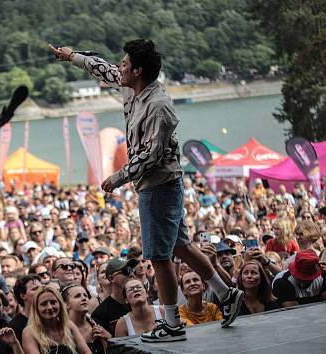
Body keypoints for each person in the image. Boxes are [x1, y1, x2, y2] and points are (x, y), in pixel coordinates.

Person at [50, 39, 244, 342]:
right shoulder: (132, 86)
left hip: (160, 184)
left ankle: (171, 323)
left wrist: (118, 177)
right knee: (180, 245)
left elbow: (151, 154)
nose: (120, 68)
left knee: (159, 256)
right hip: (159, 183)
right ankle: (226, 293)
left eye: (125, 64)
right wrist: (72, 56)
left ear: (138, 71)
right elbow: (104, 69)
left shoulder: (159, 106)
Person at [22, 286, 91, 354]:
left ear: (60, 304)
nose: (49, 307)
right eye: (43, 304)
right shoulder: (30, 332)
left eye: (53, 302)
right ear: (36, 309)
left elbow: (86, 352)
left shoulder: (68, 325)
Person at [91, 257, 137, 336]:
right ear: (112, 278)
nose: (131, 274)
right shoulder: (101, 313)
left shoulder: (140, 301)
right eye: (126, 271)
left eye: (132, 270)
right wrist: (111, 339)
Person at [62, 284, 109, 354]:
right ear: (66, 304)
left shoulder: (97, 323)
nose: (84, 298)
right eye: (77, 296)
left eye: (85, 295)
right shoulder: (61, 329)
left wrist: (109, 338)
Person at [9, 275, 41, 345]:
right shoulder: (15, 326)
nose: (41, 291)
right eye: (35, 289)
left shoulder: (49, 318)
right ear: (23, 296)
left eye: (42, 287)